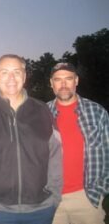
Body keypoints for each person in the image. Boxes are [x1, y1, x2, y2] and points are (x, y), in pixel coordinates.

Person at [0, 54, 62, 224]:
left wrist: (54, 197)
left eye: (17, 72)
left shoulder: (43, 111)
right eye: (4, 72)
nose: (11, 78)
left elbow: (55, 157)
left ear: (24, 76)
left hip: (41, 209)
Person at [47, 62, 109, 224]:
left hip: (86, 197)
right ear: (51, 83)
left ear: (76, 81)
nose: (63, 84)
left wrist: (101, 189)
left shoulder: (97, 112)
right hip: (51, 198)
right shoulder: (42, 114)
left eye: (68, 79)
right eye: (58, 79)